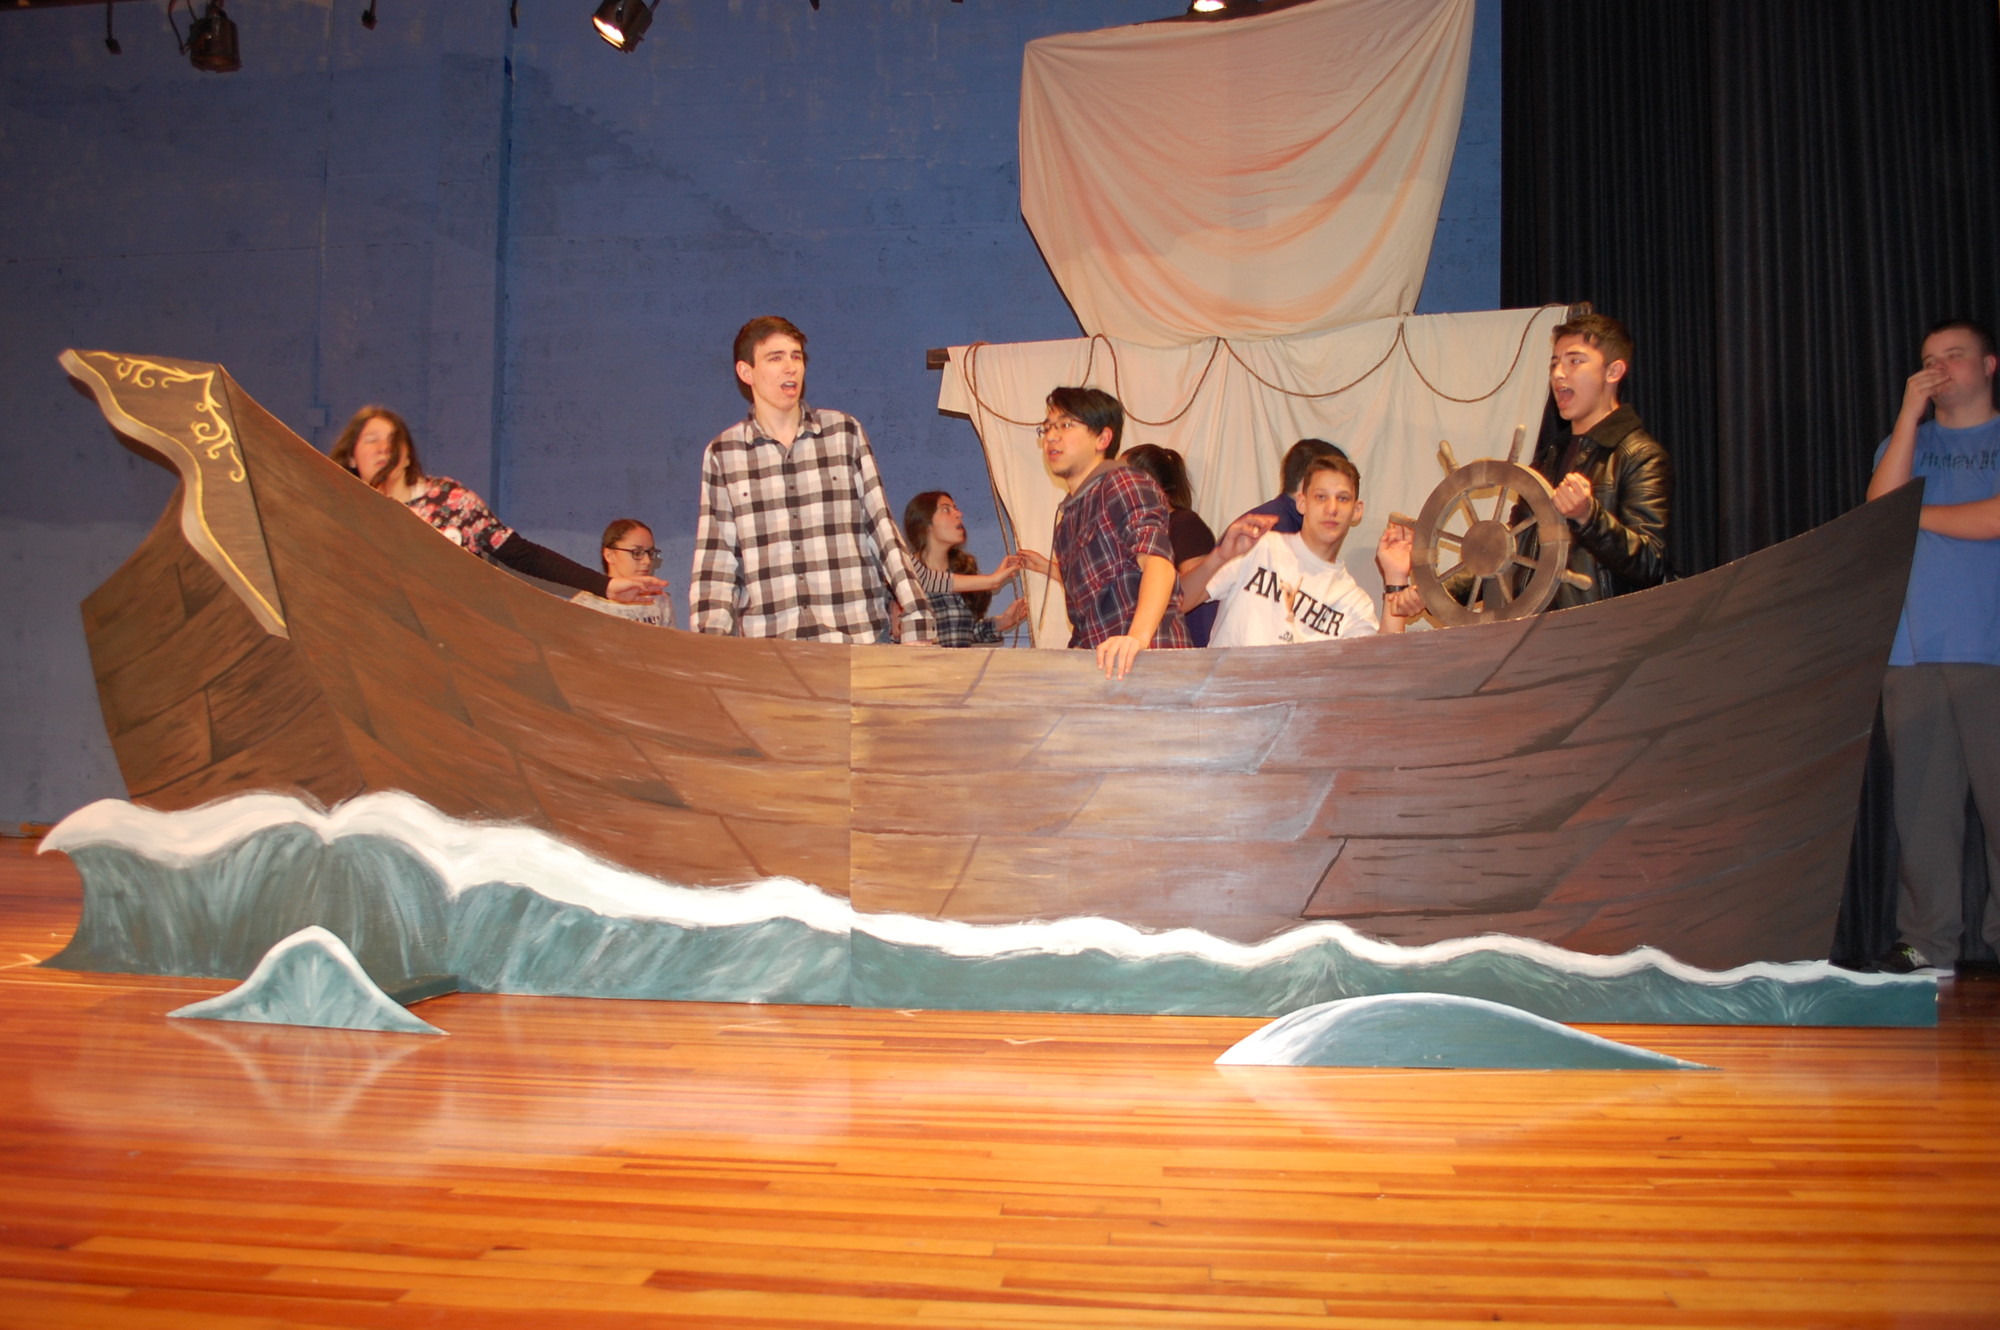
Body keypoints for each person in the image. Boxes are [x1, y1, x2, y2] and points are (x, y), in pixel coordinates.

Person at [1865, 318, 2000, 978]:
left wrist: (1910, 511)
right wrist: (1910, 412)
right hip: (1912, 654)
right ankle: (1928, 942)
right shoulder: (1905, 442)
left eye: (1955, 356)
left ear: (1990, 365)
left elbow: (1994, 518)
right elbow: (1877, 511)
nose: (1940, 368)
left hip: (1991, 647)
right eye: (1928, 361)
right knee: (1922, 811)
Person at [690, 316, 929, 642]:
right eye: (776, 358)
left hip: (855, 641)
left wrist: (917, 614)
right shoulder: (723, 453)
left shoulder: (844, 432)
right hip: (772, 654)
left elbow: (882, 530)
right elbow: (717, 562)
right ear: (746, 372)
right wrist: (708, 645)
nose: (791, 367)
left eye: (796, 356)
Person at [329, 407, 665, 605]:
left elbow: (521, 553)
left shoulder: (449, 500)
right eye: (371, 440)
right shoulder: (345, 512)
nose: (382, 448)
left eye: (392, 439)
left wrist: (604, 584)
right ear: (351, 456)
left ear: (407, 453)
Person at [1011, 387, 1189, 678]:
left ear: (1103, 438)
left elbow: (1159, 564)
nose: (1051, 437)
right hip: (1106, 668)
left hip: (1148, 664)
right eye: (1046, 428)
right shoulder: (1067, 519)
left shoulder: (1121, 482)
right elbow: (1089, 614)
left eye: (1066, 425)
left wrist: (1137, 639)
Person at [1181, 453, 1412, 646]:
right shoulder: (1259, 547)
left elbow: (1381, 668)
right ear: (1302, 502)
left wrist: (1396, 577)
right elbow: (1177, 603)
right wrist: (1219, 557)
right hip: (1224, 697)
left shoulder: (1352, 600)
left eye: (1342, 499)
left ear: (1357, 510)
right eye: (1321, 497)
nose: (1331, 508)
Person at [901, 492, 1030, 647]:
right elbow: (927, 579)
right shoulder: (905, 569)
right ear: (924, 522)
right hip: (919, 669)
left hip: (960, 669)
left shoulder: (963, 568)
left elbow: (963, 632)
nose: (959, 514)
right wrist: (992, 580)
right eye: (946, 509)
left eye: (955, 508)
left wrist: (1003, 621)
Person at [1123, 444, 1219, 646]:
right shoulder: (1140, 529)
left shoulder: (1184, 523)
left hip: (1187, 647)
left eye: (1125, 479)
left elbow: (1195, 590)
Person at [1235, 439, 1348, 537]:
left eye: (1342, 497)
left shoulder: (1279, 520)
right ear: (1305, 484)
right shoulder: (1275, 532)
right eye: (1329, 485)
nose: (1334, 508)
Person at [571, 519, 673, 627]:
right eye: (637, 553)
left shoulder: (660, 601)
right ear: (609, 555)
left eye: (651, 553)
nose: (647, 561)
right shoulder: (584, 605)